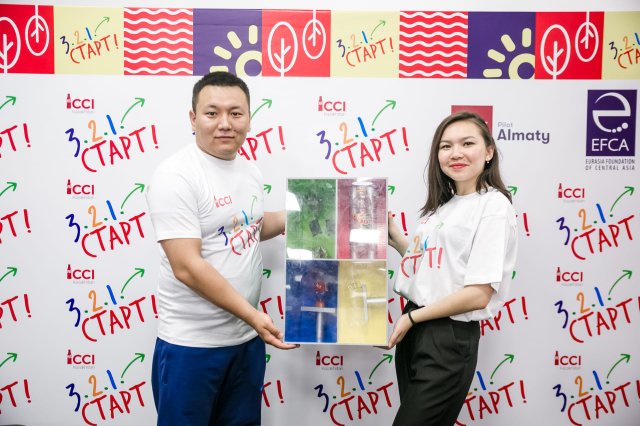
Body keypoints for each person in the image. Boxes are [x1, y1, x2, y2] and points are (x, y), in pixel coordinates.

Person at [146, 71, 297, 426]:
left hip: (245, 341)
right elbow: (186, 266)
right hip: (192, 347)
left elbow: (247, 227)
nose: (225, 123)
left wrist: (323, 214)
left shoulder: (249, 169)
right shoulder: (176, 176)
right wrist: (254, 316)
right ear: (193, 118)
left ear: (249, 118)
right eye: (212, 113)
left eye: (236, 113)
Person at [386, 111, 518, 426]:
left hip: (445, 335)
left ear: (489, 152)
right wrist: (397, 240)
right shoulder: (442, 207)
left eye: (467, 143)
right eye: (446, 146)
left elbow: (478, 294)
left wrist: (412, 318)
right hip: (418, 329)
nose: (455, 153)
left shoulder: (493, 205)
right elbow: (437, 269)